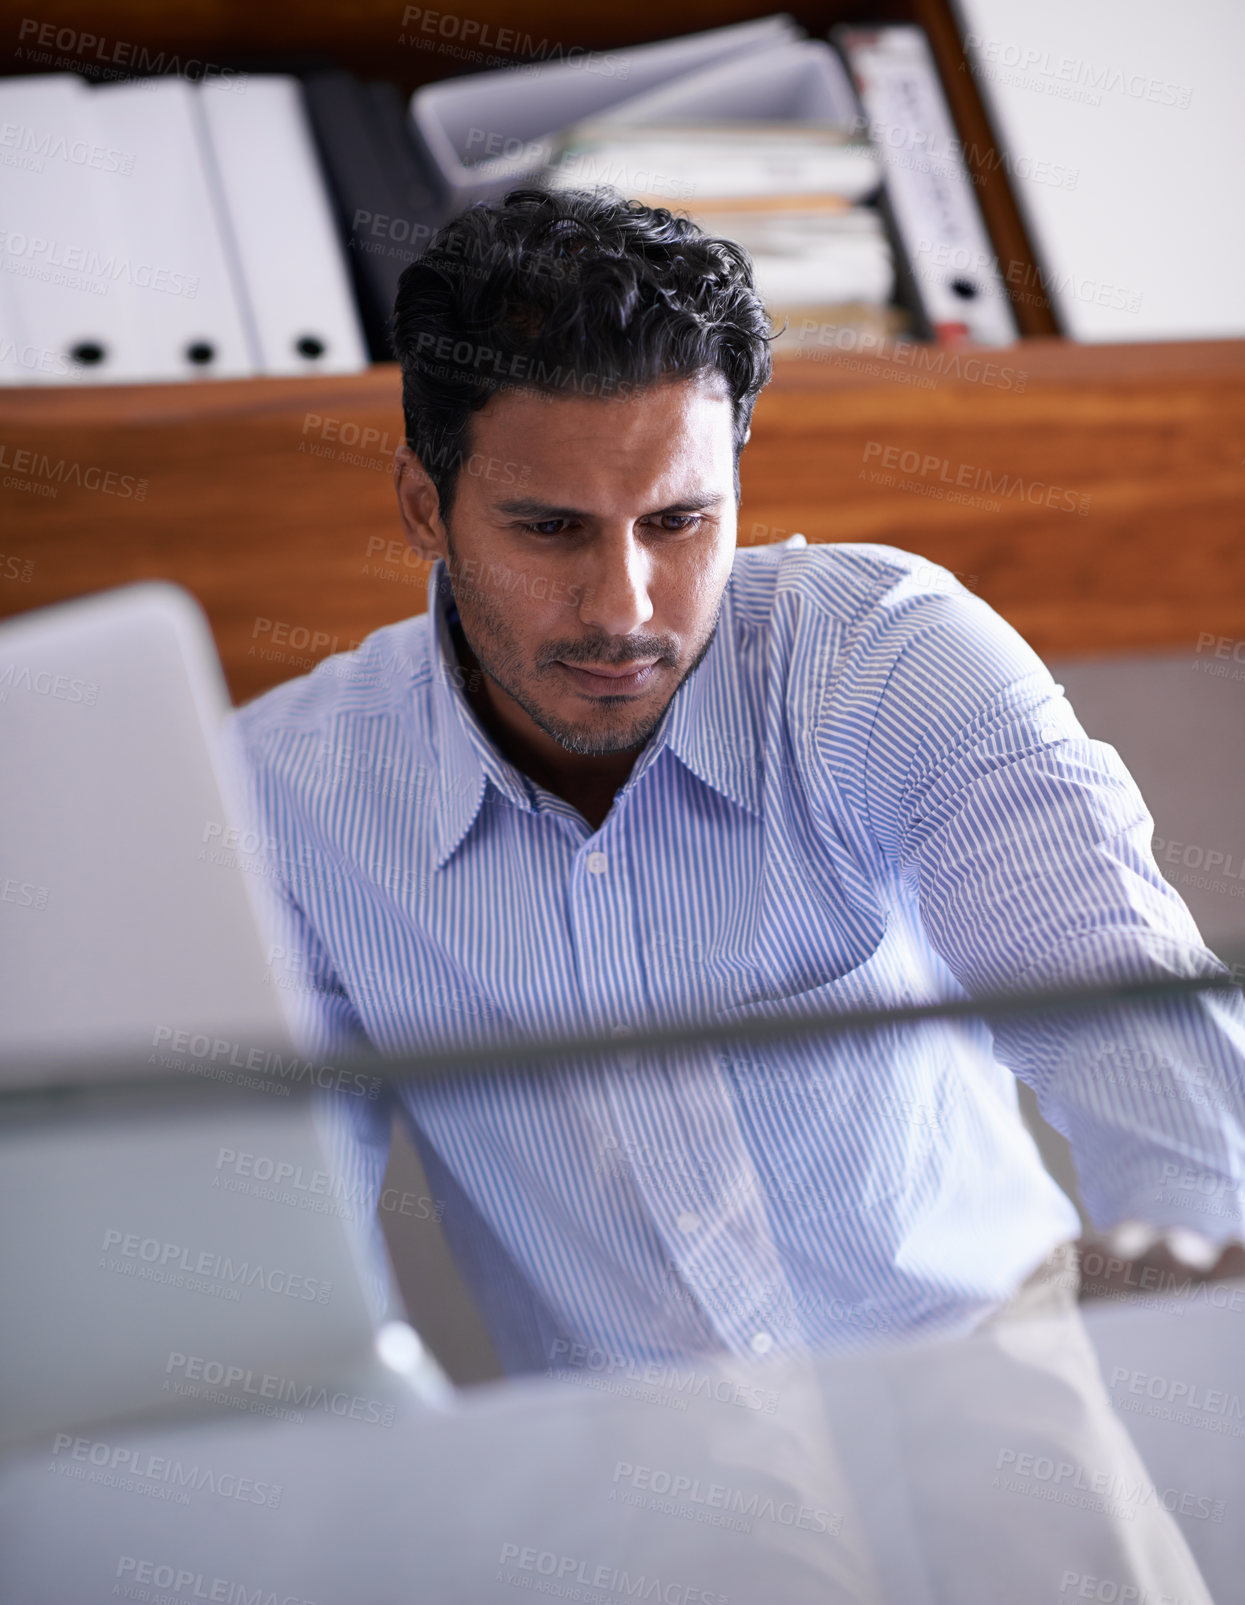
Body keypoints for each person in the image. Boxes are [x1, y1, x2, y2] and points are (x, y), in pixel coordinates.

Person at [233, 186, 1241, 1594]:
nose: (625, 606)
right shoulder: (287, 798)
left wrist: (1194, 1309)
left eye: (678, 519)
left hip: (999, 1398)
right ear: (423, 502)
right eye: (550, 529)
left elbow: (1137, 1028)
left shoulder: (889, 659)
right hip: (636, 1488)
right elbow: (277, 1274)